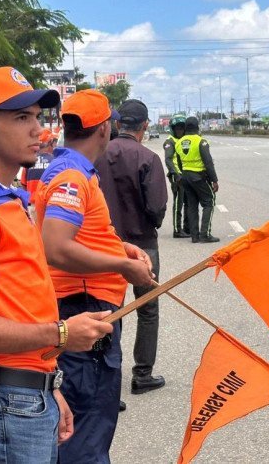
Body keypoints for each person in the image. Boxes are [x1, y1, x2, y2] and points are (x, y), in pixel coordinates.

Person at [0, 66, 113, 463]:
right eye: (21, 118)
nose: (39, 129)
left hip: (23, 393)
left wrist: (48, 384)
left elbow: (17, 305)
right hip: (3, 402)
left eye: (36, 116)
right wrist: (63, 334)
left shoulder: (7, 200)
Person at [33, 89, 154, 463]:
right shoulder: (72, 177)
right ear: (104, 128)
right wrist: (122, 266)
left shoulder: (73, 171)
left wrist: (121, 248)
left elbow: (82, 235)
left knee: (88, 420)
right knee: (87, 424)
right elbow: (56, 246)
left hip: (84, 303)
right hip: (83, 307)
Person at [95, 99, 168, 396]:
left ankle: (107, 381)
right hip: (143, 244)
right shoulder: (148, 158)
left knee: (109, 310)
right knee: (147, 308)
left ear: (116, 123)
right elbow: (156, 208)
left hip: (104, 244)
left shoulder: (98, 156)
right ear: (145, 125)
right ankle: (143, 374)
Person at [176, 116, 219, 243]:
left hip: (185, 176)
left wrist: (185, 173)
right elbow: (208, 162)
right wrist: (214, 180)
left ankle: (194, 236)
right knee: (209, 202)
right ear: (197, 127)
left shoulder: (179, 142)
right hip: (199, 177)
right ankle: (205, 234)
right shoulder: (201, 142)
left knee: (192, 205)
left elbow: (179, 163)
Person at [163, 115, 190, 238]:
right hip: (177, 176)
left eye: (182, 128)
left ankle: (187, 228)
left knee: (188, 202)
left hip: (186, 176)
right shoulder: (170, 141)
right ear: (173, 129)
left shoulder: (185, 140)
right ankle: (177, 230)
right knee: (178, 204)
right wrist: (176, 174)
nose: (180, 130)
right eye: (177, 128)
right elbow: (168, 160)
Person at [20, 128, 57, 195]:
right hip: (47, 200)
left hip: (31, 201)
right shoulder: (56, 161)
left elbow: (23, 185)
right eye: (55, 142)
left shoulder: (29, 160)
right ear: (50, 143)